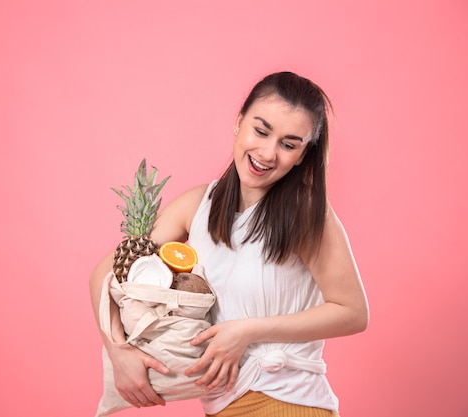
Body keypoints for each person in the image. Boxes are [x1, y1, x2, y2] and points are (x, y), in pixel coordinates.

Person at [89, 71, 369, 417]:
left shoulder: (305, 213)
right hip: (222, 407)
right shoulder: (198, 206)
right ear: (239, 121)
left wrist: (248, 332)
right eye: (261, 130)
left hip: (286, 402)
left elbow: (353, 312)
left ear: (302, 155)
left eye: (288, 144)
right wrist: (119, 351)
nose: (267, 153)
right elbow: (107, 271)